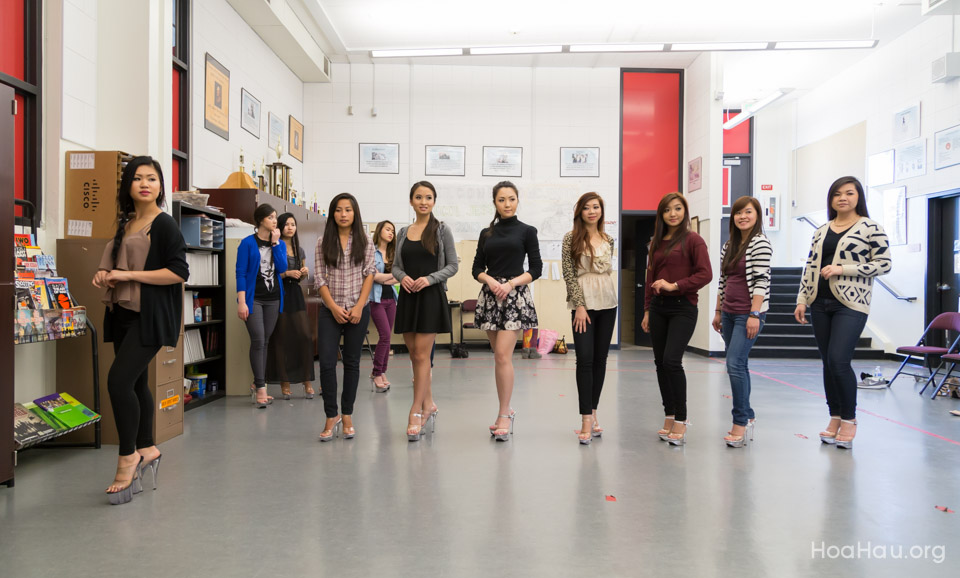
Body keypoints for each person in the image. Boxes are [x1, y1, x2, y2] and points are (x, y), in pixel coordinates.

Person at [92, 156, 189, 504]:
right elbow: (118, 264)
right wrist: (106, 275)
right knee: (134, 383)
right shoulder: (126, 222)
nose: (144, 183)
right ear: (128, 186)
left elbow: (178, 272)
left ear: (161, 186)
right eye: (137, 178)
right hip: (121, 312)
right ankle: (148, 447)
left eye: (151, 178)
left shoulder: (164, 225)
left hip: (150, 315)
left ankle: (127, 456)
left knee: (117, 382)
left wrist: (130, 276)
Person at [795, 176, 891, 449]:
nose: (843, 198)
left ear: (858, 196)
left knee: (838, 360)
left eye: (849, 193)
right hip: (819, 303)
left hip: (852, 303)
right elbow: (810, 267)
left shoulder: (871, 227)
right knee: (827, 362)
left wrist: (843, 269)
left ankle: (849, 419)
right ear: (831, 199)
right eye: (837, 194)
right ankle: (834, 416)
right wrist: (802, 299)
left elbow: (884, 264)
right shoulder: (821, 230)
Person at [472, 181, 542, 441]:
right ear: (495, 203)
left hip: (515, 297)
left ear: (517, 200)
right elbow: (476, 267)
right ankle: (507, 409)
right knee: (499, 357)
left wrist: (511, 284)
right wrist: (490, 280)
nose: (507, 204)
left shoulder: (527, 231)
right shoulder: (486, 233)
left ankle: (503, 414)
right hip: (491, 297)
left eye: (511, 199)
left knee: (502, 355)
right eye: (502, 200)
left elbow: (536, 268)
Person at [641, 192, 712, 446]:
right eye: (668, 210)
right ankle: (669, 414)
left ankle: (681, 419)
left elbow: (705, 274)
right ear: (661, 214)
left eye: (678, 208)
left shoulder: (694, 240)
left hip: (683, 307)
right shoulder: (656, 243)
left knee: (672, 361)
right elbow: (650, 279)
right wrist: (648, 310)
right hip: (659, 308)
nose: (673, 213)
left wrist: (675, 285)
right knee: (660, 363)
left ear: (685, 211)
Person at [392, 182, 459, 441]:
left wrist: (430, 279)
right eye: (418, 197)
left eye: (428, 197)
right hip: (408, 298)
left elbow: (452, 265)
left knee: (421, 355)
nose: (423, 201)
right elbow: (396, 266)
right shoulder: (402, 232)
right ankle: (429, 403)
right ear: (411, 201)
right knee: (415, 356)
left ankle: (416, 411)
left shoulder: (442, 230)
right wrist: (403, 277)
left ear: (434, 201)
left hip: (430, 297)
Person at [711, 196, 772, 448]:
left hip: (748, 314)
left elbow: (761, 281)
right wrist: (717, 310)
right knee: (739, 364)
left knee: (734, 363)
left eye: (748, 212)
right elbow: (723, 281)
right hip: (728, 312)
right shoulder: (730, 245)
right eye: (738, 213)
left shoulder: (761, 244)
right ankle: (748, 413)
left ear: (757, 215)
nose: (742, 217)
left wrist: (754, 314)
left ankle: (740, 421)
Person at [314, 193, 376, 441]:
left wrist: (359, 307)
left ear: (355, 213)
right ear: (333, 214)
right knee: (327, 364)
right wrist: (332, 307)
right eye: (338, 210)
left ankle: (347, 414)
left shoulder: (366, 241)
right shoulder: (322, 242)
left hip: (357, 310)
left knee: (351, 363)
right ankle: (332, 415)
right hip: (330, 311)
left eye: (348, 210)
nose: (343, 214)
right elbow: (319, 278)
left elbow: (369, 273)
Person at [562, 192, 617, 445]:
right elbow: (569, 274)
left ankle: (594, 413)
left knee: (600, 360)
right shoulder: (570, 238)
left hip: (608, 302)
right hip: (583, 305)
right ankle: (584, 417)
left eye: (596, 207)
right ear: (580, 212)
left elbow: (606, 272)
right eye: (586, 208)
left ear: (601, 211)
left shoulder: (609, 239)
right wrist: (580, 305)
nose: (592, 211)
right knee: (584, 359)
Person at [237, 204, 288, 408]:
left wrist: (276, 245)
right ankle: (261, 388)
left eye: (275, 217)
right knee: (258, 340)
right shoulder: (247, 243)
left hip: (273, 298)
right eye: (270, 217)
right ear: (260, 221)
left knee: (265, 341)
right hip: (253, 299)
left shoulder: (280, 244)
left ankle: (258, 382)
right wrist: (242, 302)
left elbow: (283, 269)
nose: (274, 221)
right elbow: (240, 273)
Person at [265, 213, 315, 400]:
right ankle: (284, 381)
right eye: (286, 224)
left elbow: (300, 277)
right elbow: (270, 273)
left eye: (293, 224)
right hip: (279, 292)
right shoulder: (274, 246)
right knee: (281, 338)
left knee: (304, 335)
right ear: (279, 227)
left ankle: (306, 380)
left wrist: (303, 273)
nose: (290, 227)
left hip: (295, 293)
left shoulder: (299, 249)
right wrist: (286, 274)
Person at [369, 220, 398, 392]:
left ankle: (382, 371)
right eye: (388, 229)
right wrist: (388, 277)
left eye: (393, 231)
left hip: (391, 299)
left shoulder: (393, 253)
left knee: (388, 338)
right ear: (379, 231)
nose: (390, 233)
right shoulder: (371, 251)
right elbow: (372, 276)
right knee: (385, 336)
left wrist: (384, 277)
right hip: (376, 299)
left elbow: (398, 277)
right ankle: (376, 372)